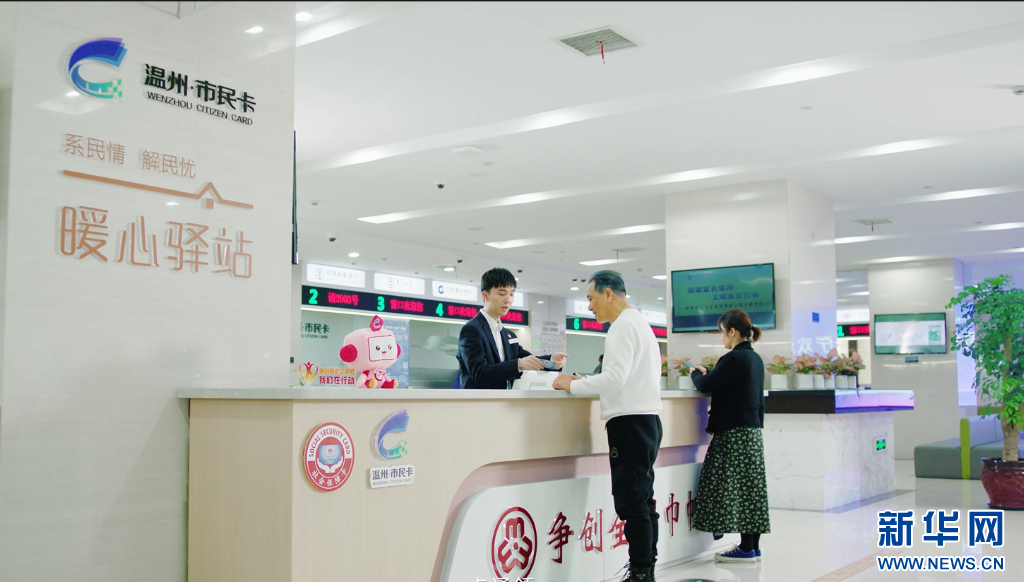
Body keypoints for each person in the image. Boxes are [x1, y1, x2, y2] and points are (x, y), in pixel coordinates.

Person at [553, 271, 662, 582]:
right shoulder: (638, 322)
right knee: (643, 501)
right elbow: (623, 376)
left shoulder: (622, 326)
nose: (589, 307)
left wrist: (571, 385)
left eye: (591, 298)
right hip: (646, 421)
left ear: (609, 294)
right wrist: (586, 380)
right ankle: (645, 570)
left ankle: (640, 574)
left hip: (630, 424)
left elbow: (615, 378)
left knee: (632, 503)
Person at [689, 308, 770, 563]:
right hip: (752, 432)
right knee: (751, 489)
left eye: (723, 333)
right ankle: (751, 547)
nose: (722, 338)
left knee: (733, 488)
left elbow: (705, 384)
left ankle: (746, 549)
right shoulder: (755, 359)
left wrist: (696, 373)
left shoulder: (733, 358)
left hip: (733, 432)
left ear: (732, 332)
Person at [457, 267, 567, 389]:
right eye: (502, 294)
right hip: (479, 399)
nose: (508, 300)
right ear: (485, 296)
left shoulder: (507, 334)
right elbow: (480, 374)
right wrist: (518, 365)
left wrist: (552, 361)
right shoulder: (472, 330)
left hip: (506, 399)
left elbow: (528, 359)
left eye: (511, 294)